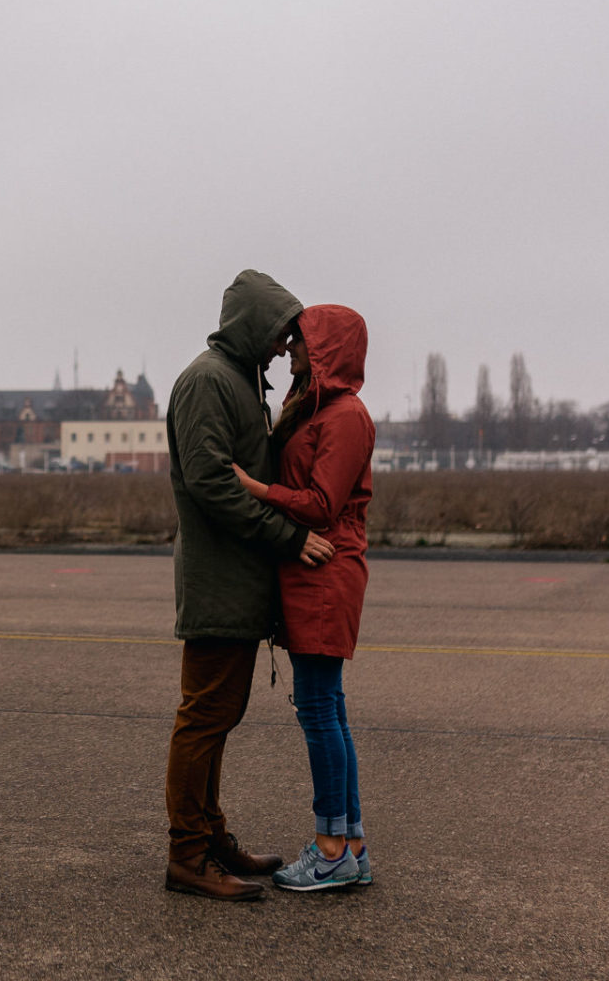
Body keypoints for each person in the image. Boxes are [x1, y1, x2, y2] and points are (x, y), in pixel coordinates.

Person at [163, 270, 337, 901]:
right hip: (218, 584)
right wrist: (288, 537)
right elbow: (212, 483)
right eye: (278, 334)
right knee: (204, 719)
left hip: (236, 583)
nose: (282, 347)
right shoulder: (208, 381)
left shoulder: (239, 381)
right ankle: (187, 854)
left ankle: (210, 835)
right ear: (252, 328)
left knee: (219, 716)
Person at [230, 304, 376, 892]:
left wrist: (255, 488)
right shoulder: (319, 408)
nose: (290, 350)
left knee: (319, 711)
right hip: (313, 568)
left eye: (300, 342)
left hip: (326, 568)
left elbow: (321, 503)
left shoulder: (345, 417)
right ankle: (351, 845)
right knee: (328, 708)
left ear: (327, 349)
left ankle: (330, 848)